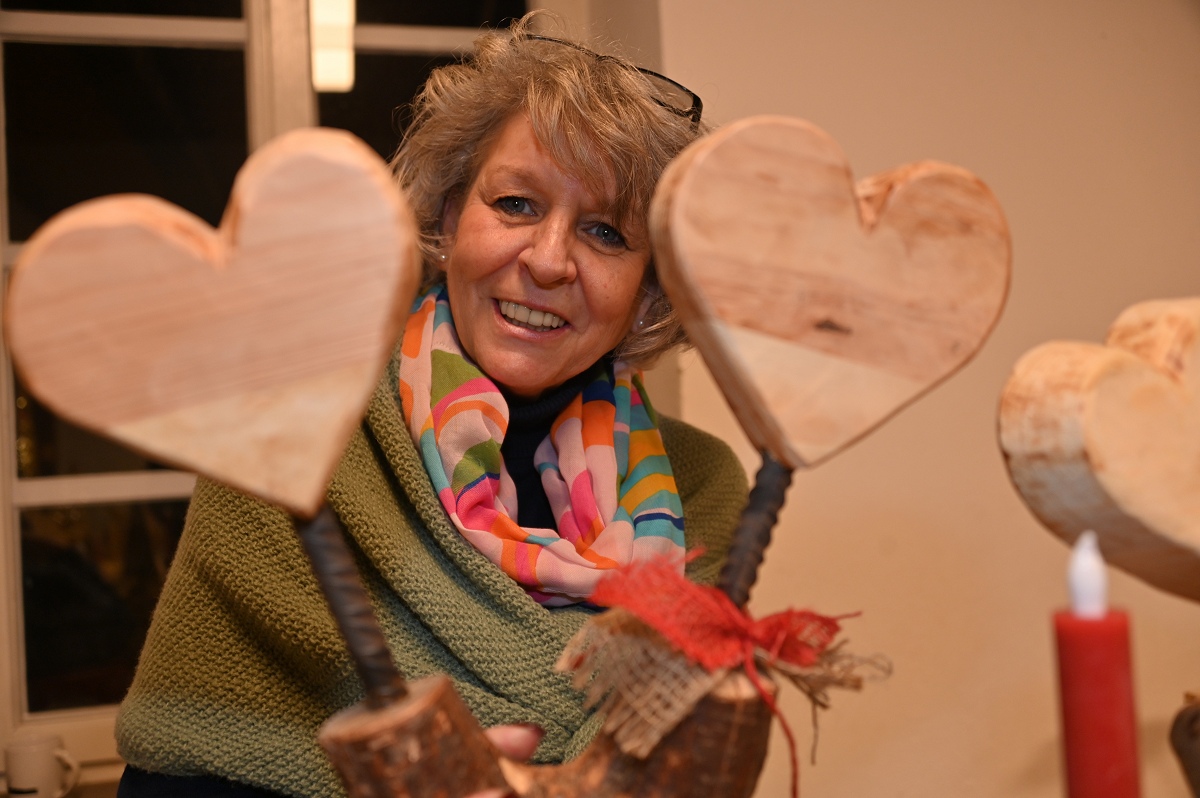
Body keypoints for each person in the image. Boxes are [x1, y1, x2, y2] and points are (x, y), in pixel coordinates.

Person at [115, 13, 748, 798]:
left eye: (604, 232)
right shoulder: (297, 432)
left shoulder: (700, 483)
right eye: (517, 204)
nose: (550, 260)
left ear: (650, 288)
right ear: (449, 219)